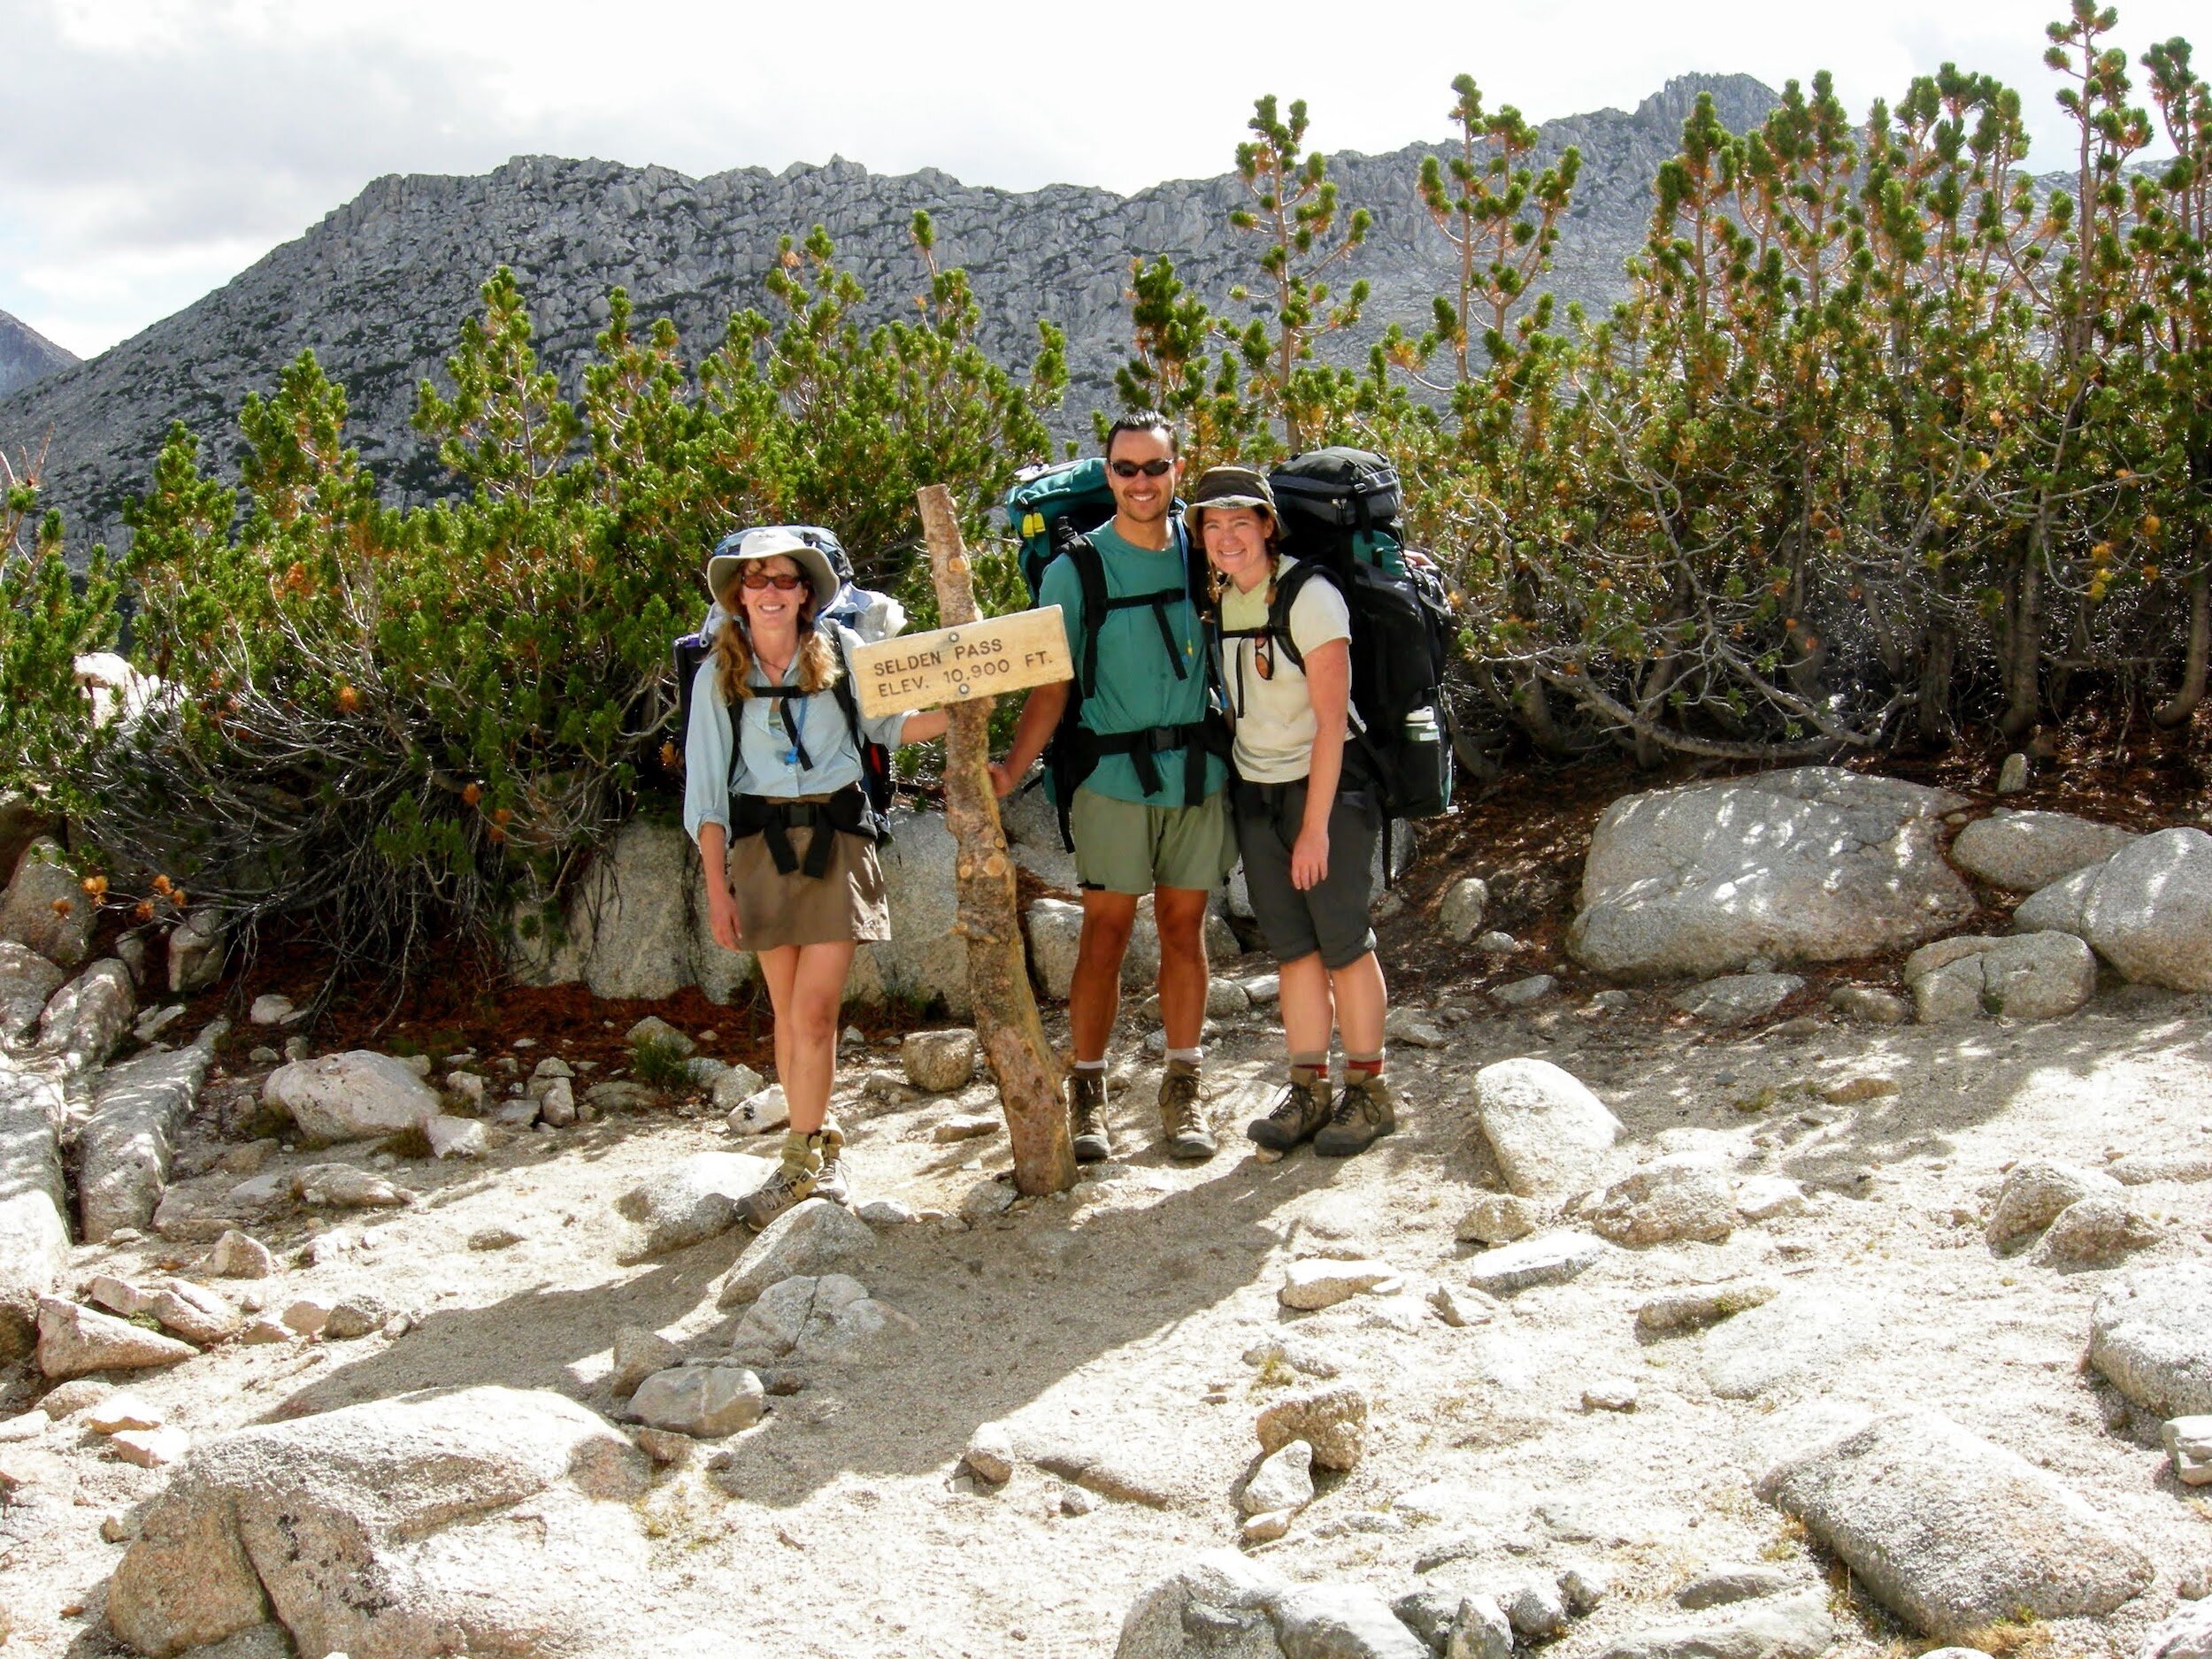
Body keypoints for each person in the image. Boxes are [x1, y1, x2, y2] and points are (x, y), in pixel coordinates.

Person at [987, 414, 1238, 1164]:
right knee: (1104, 933)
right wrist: (1010, 768)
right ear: (1109, 473)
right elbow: (1050, 687)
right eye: (1125, 468)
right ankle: (1088, 1089)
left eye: (1153, 468)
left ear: (1176, 469)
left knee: (1184, 931)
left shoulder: (1203, 554)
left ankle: (1183, 1086)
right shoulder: (1077, 569)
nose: (1140, 482)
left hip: (1196, 772)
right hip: (1110, 779)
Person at [685, 526, 949, 1228]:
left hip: (838, 840)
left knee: (815, 1011)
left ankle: (801, 1159)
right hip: (760, 849)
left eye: (784, 580)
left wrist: (966, 705)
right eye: (756, 581)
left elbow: (890, 729)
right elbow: (706, 795)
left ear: (807, 593)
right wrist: (717, 889)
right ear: (739, 595)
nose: (769, 593)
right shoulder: (720, 673)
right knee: (788, 1012)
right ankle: (815, 1140)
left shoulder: (846, 652)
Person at [1189, 465, 1395, 1157]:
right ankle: (1308, 1088)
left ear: (1268, 525)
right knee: (1295, 950)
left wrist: (1315, 826)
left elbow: (1333, 721)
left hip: (1324, 790)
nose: (1226, 538)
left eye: (1240, 523)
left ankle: (1368, 1092)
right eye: (1212, 526)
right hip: (1259, 792)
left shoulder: (1311, 596)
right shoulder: (1224, 600)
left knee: (1343, 942)